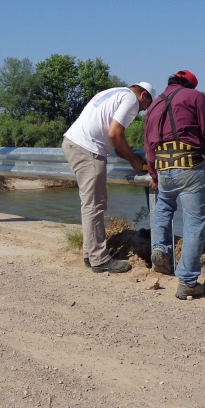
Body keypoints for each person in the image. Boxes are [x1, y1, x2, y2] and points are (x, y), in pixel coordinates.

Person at [62, 82, 155, 274]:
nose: (143, 110)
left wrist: (124, 152)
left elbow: (106, 130)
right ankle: (99, 259)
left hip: (75, 143)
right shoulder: (131, 100)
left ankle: (90, 254)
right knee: (94, 205)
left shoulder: (113, 92)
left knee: (90, 204)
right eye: (146, 106)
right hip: (88, 149)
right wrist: (133, 159)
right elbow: (114, 132)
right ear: (143, 95)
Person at [144, 70, 205, 300]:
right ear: (189, 85)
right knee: (194, 222)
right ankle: (187, 281)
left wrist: (154, 174)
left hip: (163, 167)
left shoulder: (155, 104)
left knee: (164, 207)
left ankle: (160, 251)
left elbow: (148, 144)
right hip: (189, 165)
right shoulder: (194, 96)